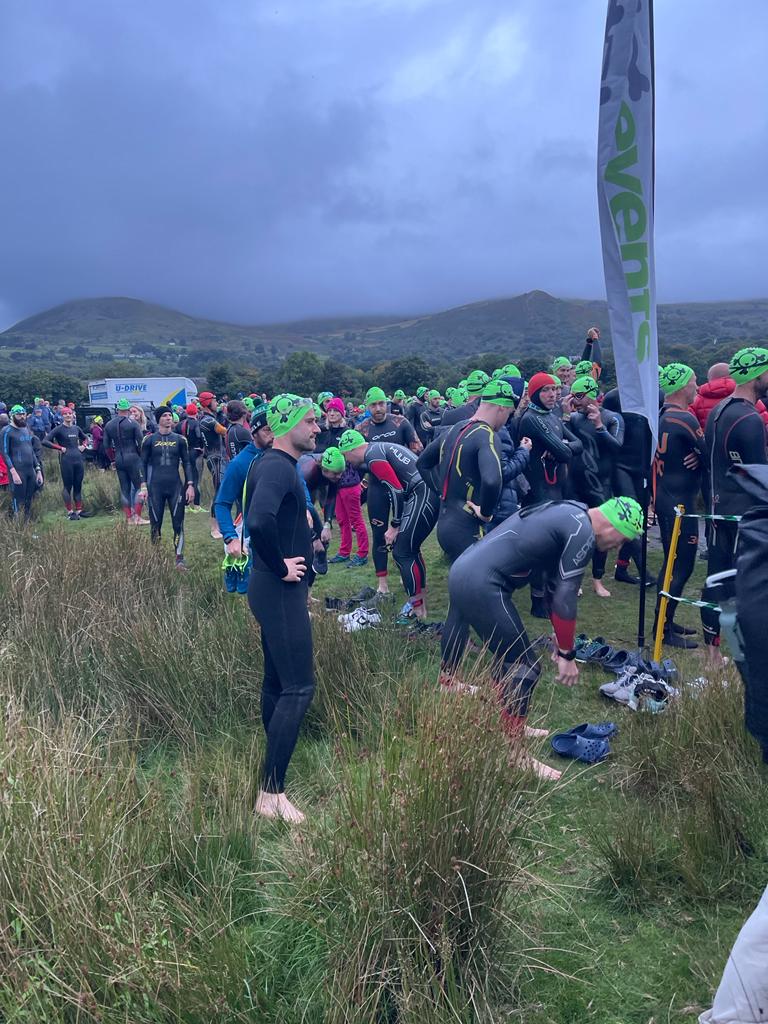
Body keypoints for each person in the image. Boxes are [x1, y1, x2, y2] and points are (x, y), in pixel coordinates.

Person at [439, 496, 644, 780]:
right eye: (622, 539)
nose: (617, 547)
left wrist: (558, 635)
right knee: (524, 667)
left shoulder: (568, 511)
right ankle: (514, 755)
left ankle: (510, 724)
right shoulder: (582, 531)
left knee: (508, 657)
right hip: (483, 583)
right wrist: (568, 655)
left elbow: (550, 581)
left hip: (464, 568)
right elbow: (565, 594)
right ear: (613, 527)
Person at [246, 394, 320, 824]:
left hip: (270, 588)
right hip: (277, 588)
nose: (316, 429)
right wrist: (282, 566)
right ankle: (271, 792)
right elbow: (257, 521)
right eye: (309, 422)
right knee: (299, 688)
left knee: (276, 682)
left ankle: (271, 764)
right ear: (288, 423)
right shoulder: (276, 465)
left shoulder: (272, 463)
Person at [701, 347, 768, 665]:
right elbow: (759, 476)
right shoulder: (750, 418)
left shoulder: (719, 409)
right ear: (757, 375)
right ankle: (749, 653)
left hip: (717, 507)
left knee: (716, 576)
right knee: (748, 582)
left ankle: (712, 653)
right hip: (743, 513)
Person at [418, 378, 527, 563]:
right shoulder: (486, 435)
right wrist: (486, 512)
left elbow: (422, 463)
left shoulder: (454, 429)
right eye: (509, 413)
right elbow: (493, 480)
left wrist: (442, 490)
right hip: (467, 528)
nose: (506, 420)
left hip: (445, 524)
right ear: (501, 407)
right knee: (481, 587)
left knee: (461, 584)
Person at [338, 428, 438, 619]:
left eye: (346, 458)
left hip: (422, 492)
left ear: (349, 451)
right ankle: (419, 606)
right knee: (411, 549)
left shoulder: (372, 456)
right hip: (424, 490)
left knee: (403, 552)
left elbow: (396, 490)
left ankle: (417, 612)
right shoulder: (378, 448)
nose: (348, 462)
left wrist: (394, 525)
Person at [651, 364, 706, 648]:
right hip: (680, 502)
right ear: (682, 386)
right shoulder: (684, 418)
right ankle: (662, 630)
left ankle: (666, 622)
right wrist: (700, 459)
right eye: (694, 381)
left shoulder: (660, 415)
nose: (698, 386)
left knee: (671, 563)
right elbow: (708, 454)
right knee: (681, 565)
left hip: (665, 498)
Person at [565, 375, 625, 598]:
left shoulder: (612, 418)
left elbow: (617, 447)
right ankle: (574, 578)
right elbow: (561, 438)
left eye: (579, 396)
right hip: (575, 484)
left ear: (592, 394)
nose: (575, 401)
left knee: (601, 535)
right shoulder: (572, 418)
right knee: (573, 533)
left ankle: (597, 580)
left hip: (601, 485)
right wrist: (564, 415)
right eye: (573, 396)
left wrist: (599, 426)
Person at [359, 386, 418, 594]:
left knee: (405, 532)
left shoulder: (400, 423)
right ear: (368, 407)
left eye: (381, 403)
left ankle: (405, 572)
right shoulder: (362, 430)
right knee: (379, 535)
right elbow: (357, 461)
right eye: (374, 405)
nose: (378, 408)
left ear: (387, 403)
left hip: (403, 488)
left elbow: (415, 451)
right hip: (378, 489)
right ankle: (382, 584)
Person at [140, 406, 195, 570]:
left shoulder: (180, 439)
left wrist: (190, 485)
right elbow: (141, 463)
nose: (168, 418)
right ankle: (156, 557)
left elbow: (186, 463)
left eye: (170, 415)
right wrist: (143, 485)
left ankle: (179, 558)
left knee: (178, 524)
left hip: (175, 487)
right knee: (155, 524)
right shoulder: (149, 440)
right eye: (164, 415)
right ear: (158, 419)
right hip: (155, 486)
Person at [103, 399, 147, 524]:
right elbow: (140, 443)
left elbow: (106, 446)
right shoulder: (133, 424)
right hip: (133, 457)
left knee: (124, 489)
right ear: (128, 410)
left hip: (118, 458)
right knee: (140, 487)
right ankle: (138, 517)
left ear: (117, 410)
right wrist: (141, 457)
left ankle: (129, 519)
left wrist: (112, 460)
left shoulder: (109, 425)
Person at [42, 407, 88, 519]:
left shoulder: (76, 428)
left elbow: (85, 438)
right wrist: (60, 448)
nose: (68, 415)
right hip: (66, 461)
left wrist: (84, 446)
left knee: (78, 485)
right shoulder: (59, 429)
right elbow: (45, 441)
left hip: (78, 459)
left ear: (73, 415)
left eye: (70, 413)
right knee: (68, 486)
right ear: (62, 416)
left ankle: (79, 510)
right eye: (65, 414)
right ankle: (69, 511)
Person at [2, 405, 43, 521]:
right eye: (19, 415)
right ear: (12, 415)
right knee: (18, 499)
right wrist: (13, 472)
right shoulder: (6, 431)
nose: (22, 417)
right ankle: (18, 526)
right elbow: (5, 453)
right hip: (17, 470)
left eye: (23, 414)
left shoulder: (25, 429)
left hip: (30, 470)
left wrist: (38, 469)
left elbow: (31, 451)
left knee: (29, 499)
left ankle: (27, 525)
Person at [198, 391, 228, 538]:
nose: (217, 404)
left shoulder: (206, 418)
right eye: (214, 401)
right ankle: (214, 528)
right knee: (218, 492)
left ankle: (220, 525)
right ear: (207, 403)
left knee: (221, 490)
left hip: (216, 457)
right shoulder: (208, 421)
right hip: (215, 458)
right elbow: (225, 432)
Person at [179, 403, 204, 512]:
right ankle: (197, 505)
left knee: (187, 479)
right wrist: (202, 447)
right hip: (195, 452)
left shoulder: (180, 424)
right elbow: (199, 436)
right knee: (195, 479)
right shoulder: (196, 423)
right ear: (196, 412)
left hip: (184, 453)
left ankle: (186, 505)